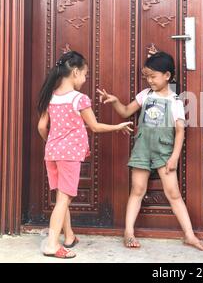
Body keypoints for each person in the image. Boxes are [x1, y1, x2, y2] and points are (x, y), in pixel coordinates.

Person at [97, 50, 203, 251]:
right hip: (142, 149)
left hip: (164, 153)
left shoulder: (175, 101)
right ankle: (128, 232)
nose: (149, 80)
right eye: (147, 76)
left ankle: (189, 235)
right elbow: (125, 112)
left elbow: (180, 132)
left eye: (153, 76)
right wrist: (114, 102)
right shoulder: (144, 95)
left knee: (173, 194)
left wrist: (174, 157)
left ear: (167, 76)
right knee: (137, 190)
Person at [37, 51, 133, 259]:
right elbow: (95, 127)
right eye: (85, 74)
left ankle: (69, 236)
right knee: (64, 199)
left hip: (52, 152)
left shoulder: (50, 96)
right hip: (69, 155)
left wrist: (52, 144)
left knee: (60, 197)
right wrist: (118, 126)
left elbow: (42, 127)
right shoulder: (79, 99)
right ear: (75, 72)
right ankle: (52, 245)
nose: (85, 78)